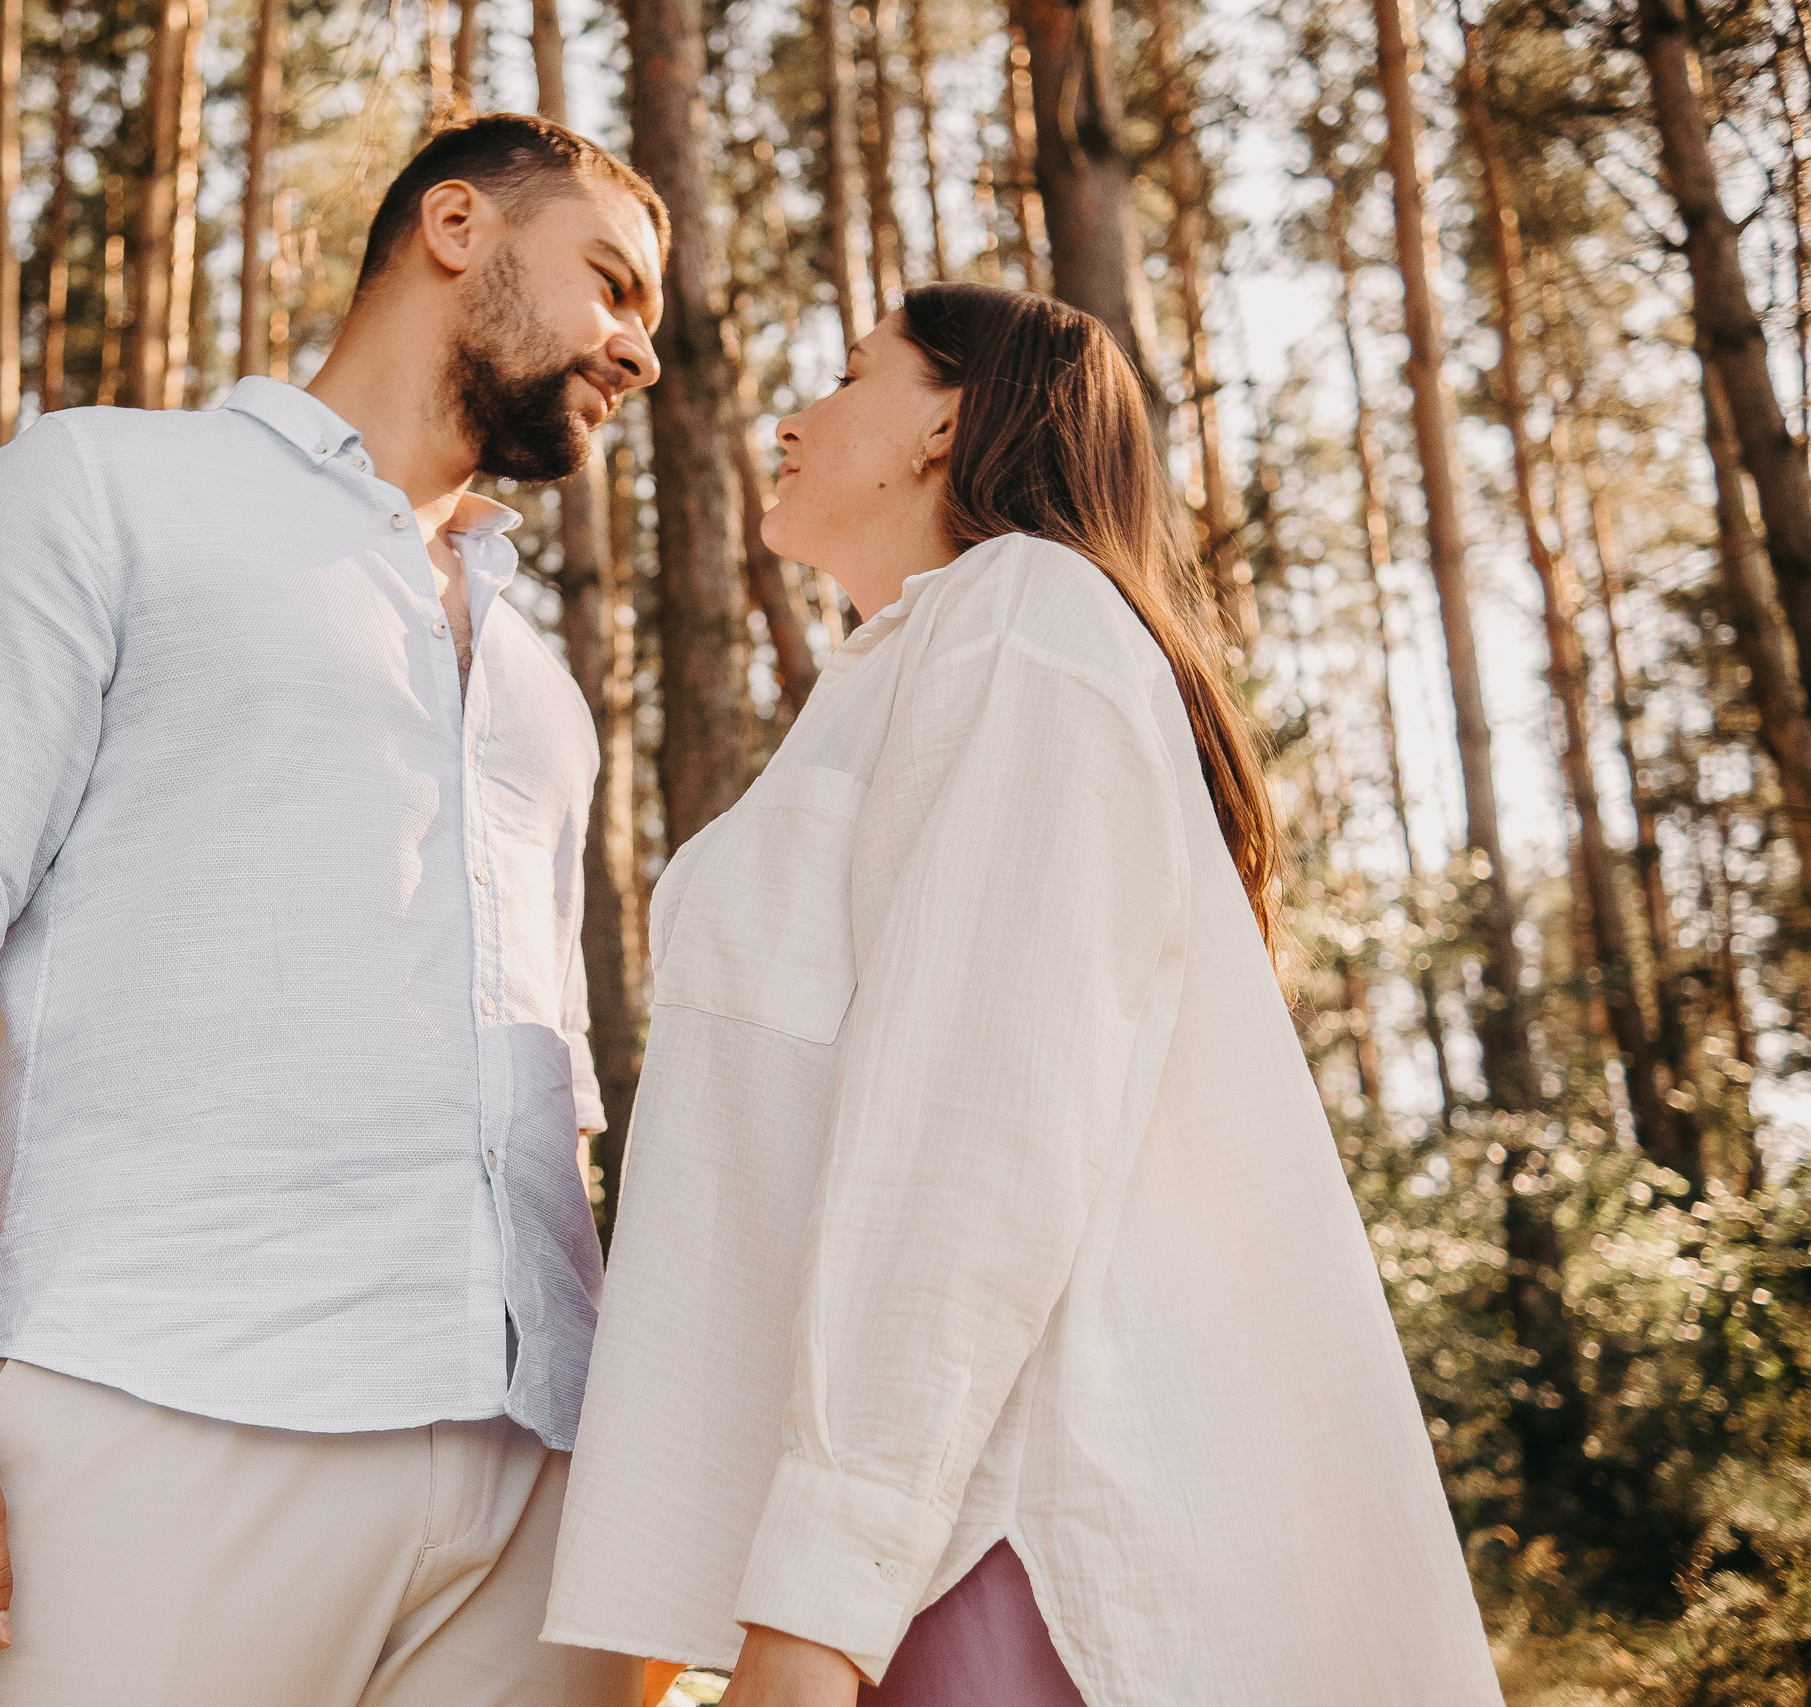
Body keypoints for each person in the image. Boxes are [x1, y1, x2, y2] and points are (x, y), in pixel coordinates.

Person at [0, 113, 661, 1707]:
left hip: (540, 1490)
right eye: (614, 284)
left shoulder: (547, 691)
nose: (638, 352)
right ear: (455, 226)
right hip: (160, 1407)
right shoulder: (107, 484)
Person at [542, 284, 1503, 1707]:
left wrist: (813, 1613)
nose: (790, 419)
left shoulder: (1023, 615)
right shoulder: (899, 671)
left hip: (988, 1543)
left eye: (850, 371)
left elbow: (977, 1123)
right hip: (886, 1559)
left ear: (949, 418)